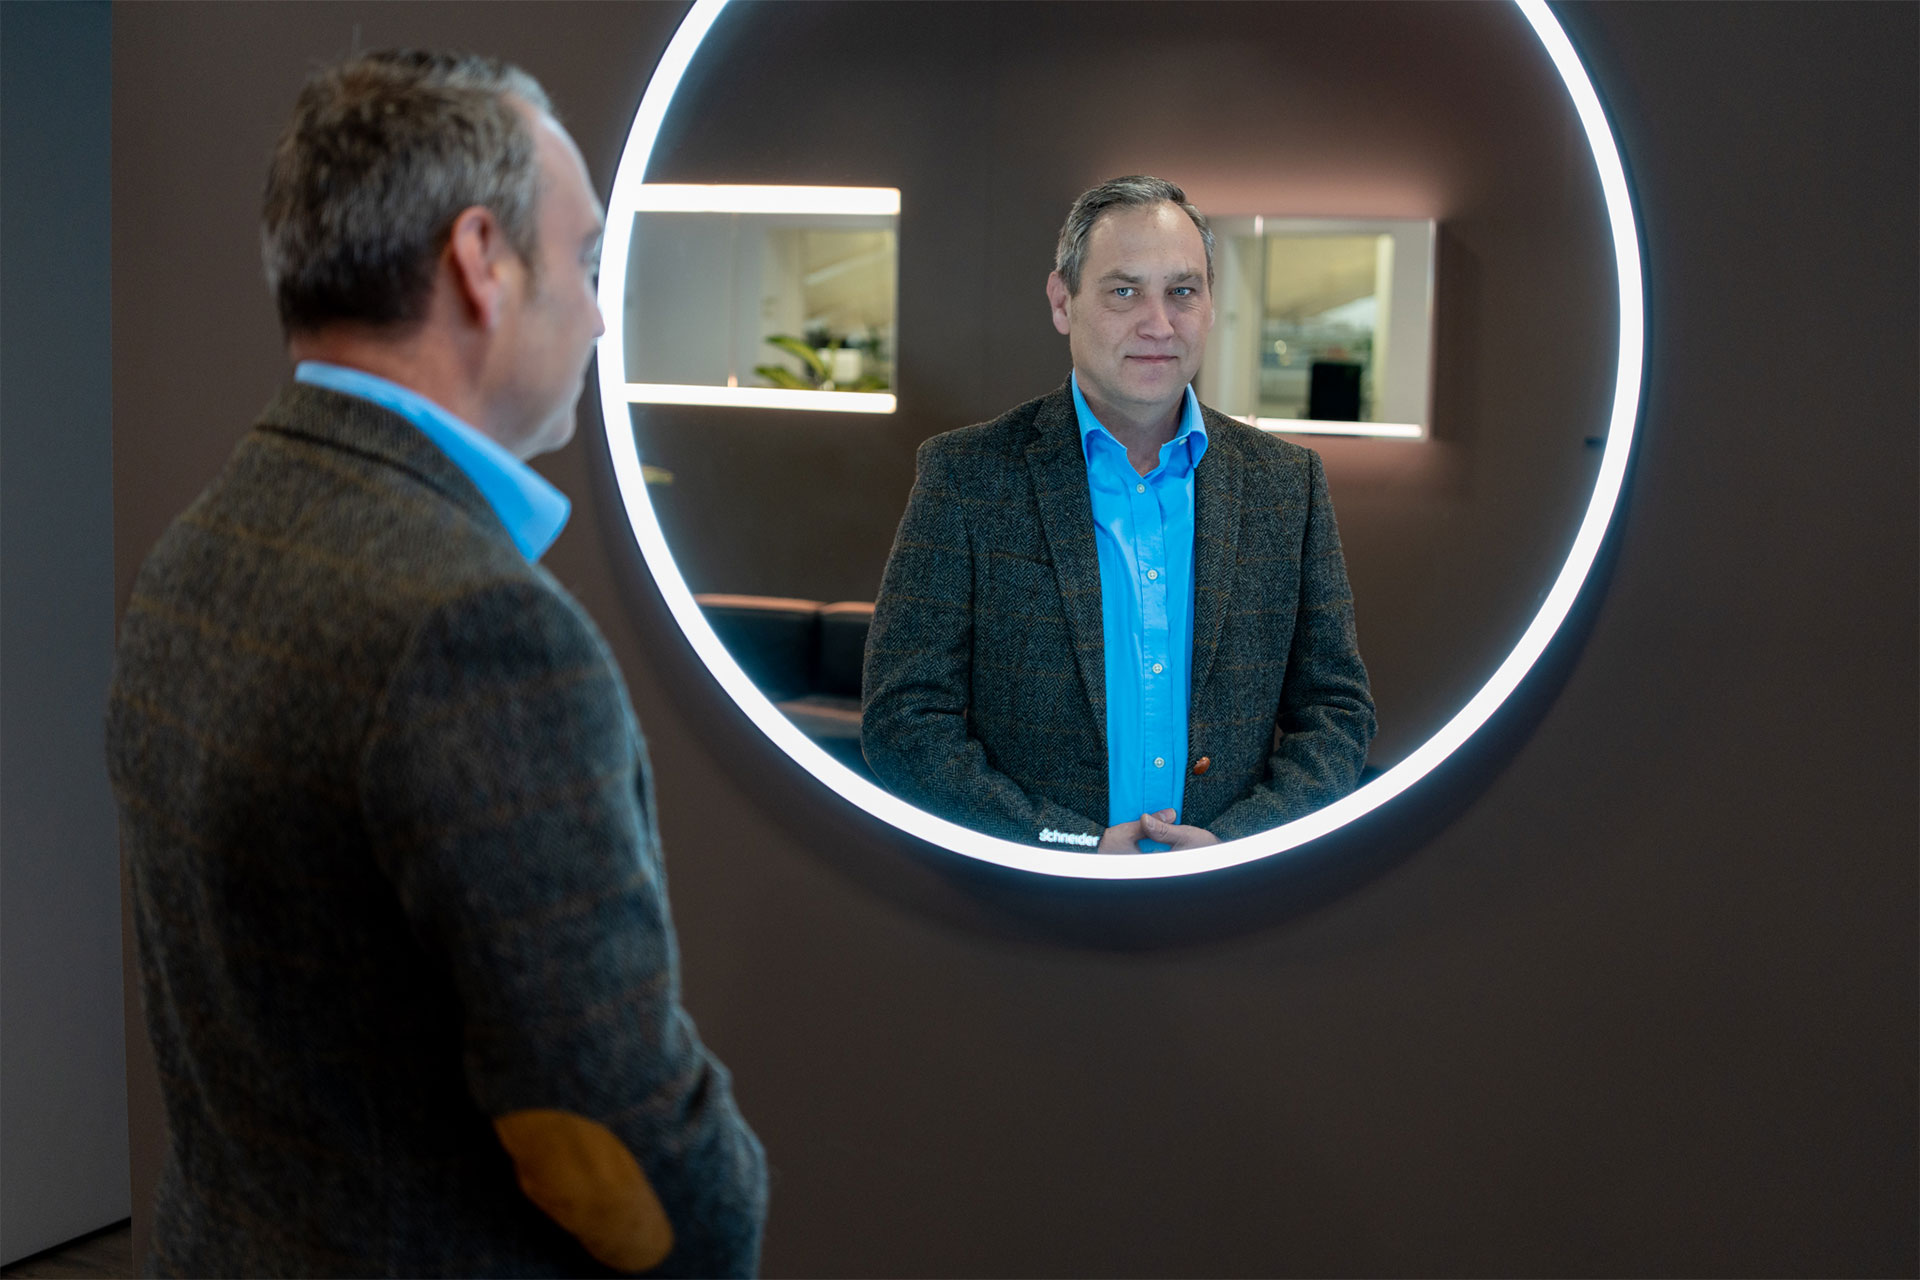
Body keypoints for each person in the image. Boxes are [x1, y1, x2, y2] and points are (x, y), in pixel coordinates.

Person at [106, 51, 765, 1277]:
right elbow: (613, 1131)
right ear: (480, 259)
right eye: (585, 260)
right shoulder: (478, 630)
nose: (601, 313)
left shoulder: (198, 544)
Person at [863, 176, 1375, 853]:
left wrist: (1236, 842)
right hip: (1032, 895)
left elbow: (1337, 713)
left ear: (1210, 305)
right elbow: (903, 721)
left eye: (1182, 291)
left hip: (1229, 896)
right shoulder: (968, 476)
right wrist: (1074, 845)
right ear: (1062, 301)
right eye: (1124, 292)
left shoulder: (1286, 484)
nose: (1158, 324)